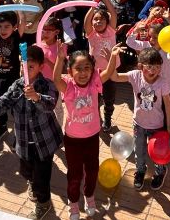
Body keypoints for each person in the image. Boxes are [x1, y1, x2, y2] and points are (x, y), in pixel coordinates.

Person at [0, 45, 61, 220]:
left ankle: (43, 203)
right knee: (26, 171)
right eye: (22, 64)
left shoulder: (46, 85)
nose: (25, 69)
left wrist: (37, 97)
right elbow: (3, 103)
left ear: (40, 67)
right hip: (23, 142)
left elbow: (52, 103)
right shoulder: (16, 86)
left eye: (30, 66)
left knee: (42, 177)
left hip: (44, 143)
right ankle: (32, 182)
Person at [52, 45, 114, 220]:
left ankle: (89, 197)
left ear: (92, 70)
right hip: (72, 140)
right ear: (70, 71)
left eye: (87, 68)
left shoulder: (94, 83)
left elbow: (108, 73)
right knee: (74, 174)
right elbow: (56, 79)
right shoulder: (70, 87)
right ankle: (73, 203)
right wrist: (60, 58)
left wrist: (111, 58)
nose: (83, 72)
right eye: (78, 68)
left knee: (92, 170)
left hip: (92, 137)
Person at [109, 46, 170, 192]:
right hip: (138, 123)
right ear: (140, 66)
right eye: (149, 66)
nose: (153, 70)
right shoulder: (135, 75)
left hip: (157, 125)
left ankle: (160, 171)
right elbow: (114, 77)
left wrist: (169, 127)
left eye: (157, 67)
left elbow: (168, 106)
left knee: (159, 152)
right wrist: (113, 57)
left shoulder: (162, 82)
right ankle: (140, 170)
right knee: (139, 149)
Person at [0, 11, 25, 144]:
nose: (3, 29)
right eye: (0, 26)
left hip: (12, 80)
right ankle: (2, 127)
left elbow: (22, 22)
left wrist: (18, 6)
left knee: (15, 107)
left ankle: (18, 132)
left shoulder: (16, 36)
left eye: (7, 26)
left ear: (14, 27)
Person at [83, 0, 118, 131]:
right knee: (94, 99)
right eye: (95, 19)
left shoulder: (111, 30)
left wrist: (106, 0)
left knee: (109, 98)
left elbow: (113, 14)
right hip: (94, 73)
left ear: (107, 21)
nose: (98, 22)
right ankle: (97, 118)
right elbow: (86, 21)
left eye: (101, 19)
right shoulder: (91, 34)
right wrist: (93, 6)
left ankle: (107, 119)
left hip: (110, 72)